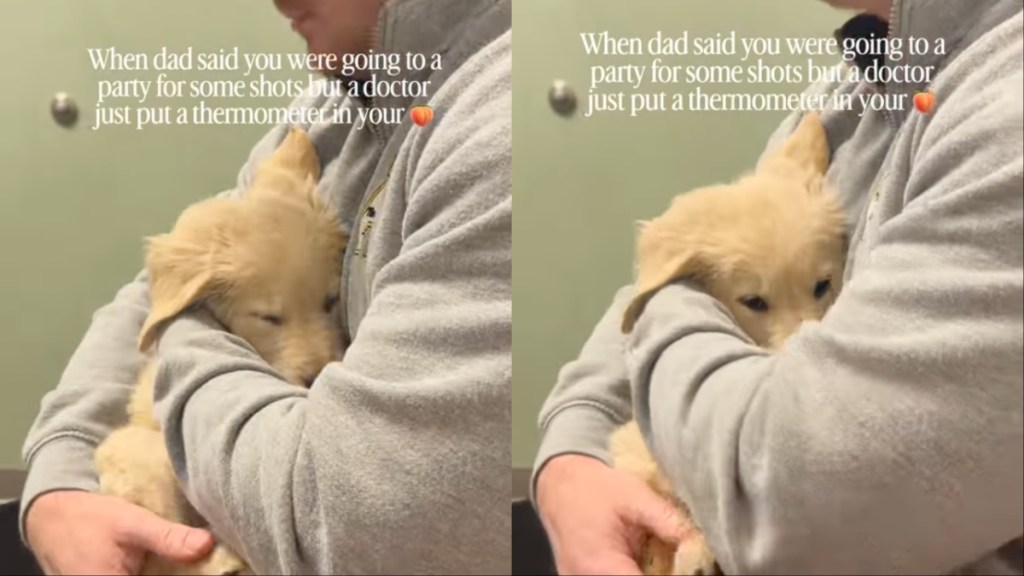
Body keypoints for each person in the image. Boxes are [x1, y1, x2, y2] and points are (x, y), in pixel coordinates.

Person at [19, 0, 512, 574]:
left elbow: (345, 524)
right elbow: (155, 289)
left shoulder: (493, 130)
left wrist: (190, 315)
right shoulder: (334, 104)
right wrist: (62, 480)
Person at [532, 0, 1023, 574]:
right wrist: (571, 458)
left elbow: (789, 508)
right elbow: (672, 301)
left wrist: (670, 283)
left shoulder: (1004, 104)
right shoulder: (847, 92)